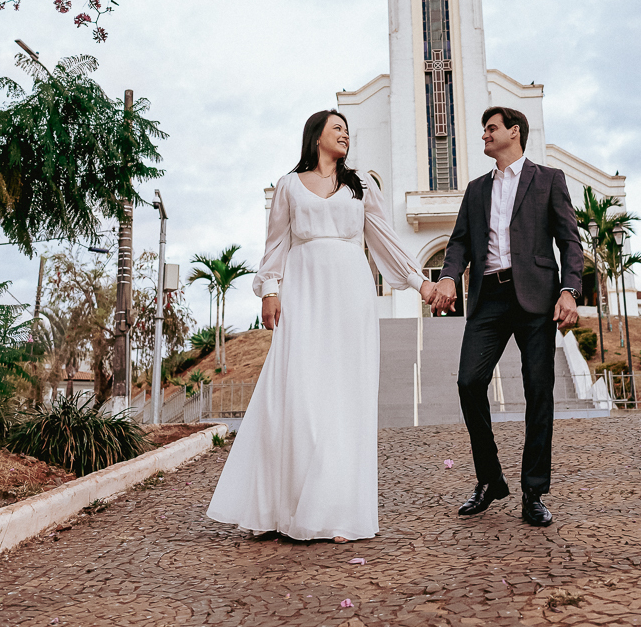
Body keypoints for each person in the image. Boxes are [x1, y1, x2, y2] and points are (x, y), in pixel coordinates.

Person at [207, 109, 435, 542]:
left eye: (348, 130)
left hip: (351, 294)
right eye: (337, 129)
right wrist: (270, 289)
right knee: (297, 394)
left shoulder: (360, 185)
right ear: (316, 137)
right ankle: (284, 507)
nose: (345, 135)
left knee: (345, 399)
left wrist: (420, 284)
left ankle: (337, 512)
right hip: (304, 293)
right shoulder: (289, 185)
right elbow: (276, 243)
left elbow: (383, 239)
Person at [430, 106, 582, 527]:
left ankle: (533, 491)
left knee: (539, 391)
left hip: (536, 297)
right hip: (488, 300)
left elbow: (570, 241)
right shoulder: (477, 189)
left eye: (491, 128)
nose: (484, 135)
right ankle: (490, 479)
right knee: (468, 382)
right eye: (483, 130)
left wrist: (569, 291)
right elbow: (458, 243)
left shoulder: (549, 179)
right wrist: (447, 278)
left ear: (514, 133)